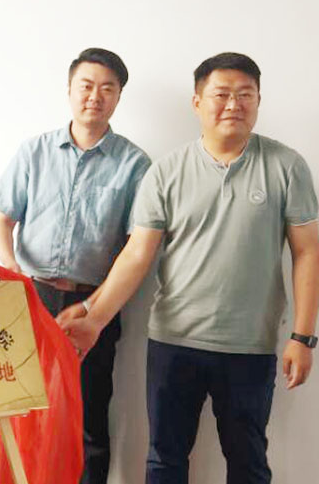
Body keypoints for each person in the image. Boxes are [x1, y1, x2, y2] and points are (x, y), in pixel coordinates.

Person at [60, 52, 319, 484]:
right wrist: (96, 318)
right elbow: (137, 255)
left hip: (250, 346)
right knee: (165, 460)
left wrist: (303, 336)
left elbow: (307, 252)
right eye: (221, 94)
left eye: (245, 95)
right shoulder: (166, 171)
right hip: (174, 343)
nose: (233, 104)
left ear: (258, 101)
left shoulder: (286, 166)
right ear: (197, 102)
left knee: (249, 462)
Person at [0, 48, 150, 484]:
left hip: (94, 304)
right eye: (86, 86)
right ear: (69, 90)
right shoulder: (34, 151)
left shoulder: (135, 165)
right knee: (21, 407)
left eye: (107, 88)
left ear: (118, 97)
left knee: (87, 416)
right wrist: (12, 269)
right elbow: (1, 221)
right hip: (32, 295)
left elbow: (136, 248)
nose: (95, 96)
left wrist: (97, 308)